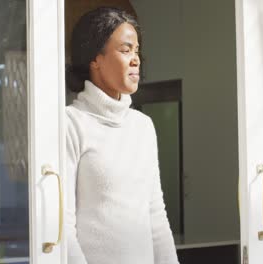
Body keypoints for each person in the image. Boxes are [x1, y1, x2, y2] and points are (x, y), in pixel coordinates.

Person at [65, 7, 179, 264]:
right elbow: (62, 226)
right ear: (95, 58)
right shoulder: (71, 123)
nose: (136, 59)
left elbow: (156, 216)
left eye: (136, 51)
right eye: (125, 50)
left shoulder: (143, 127)